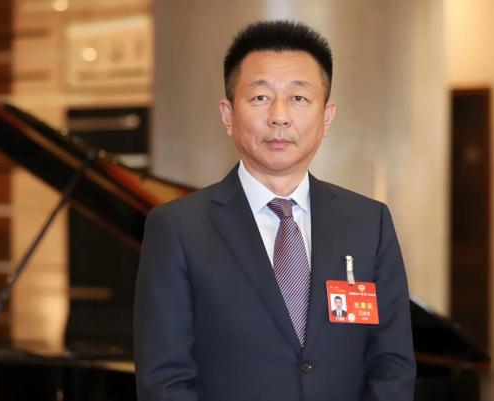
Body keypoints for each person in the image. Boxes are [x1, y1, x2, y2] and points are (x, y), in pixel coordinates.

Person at [134, 20, 415, 401]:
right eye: (260, 98)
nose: (279, 116)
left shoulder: (369, 223)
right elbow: (164, 380)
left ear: (326, 117)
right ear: (228, 114)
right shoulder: (178, 229)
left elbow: (392, 366)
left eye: (298, 98)